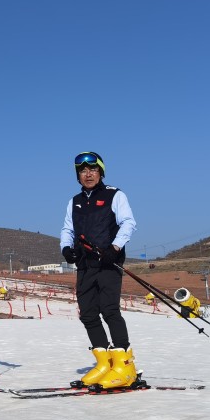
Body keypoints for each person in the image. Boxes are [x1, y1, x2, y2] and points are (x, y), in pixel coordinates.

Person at [59, 151, 138, 390]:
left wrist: (115, 247)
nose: (88, 174)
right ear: (78, 175)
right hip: (85, 265)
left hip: (107, 262)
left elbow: (128, 222)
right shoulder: (74, 201)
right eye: (83, 171)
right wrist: (65, 248)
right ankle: (104, 363)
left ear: (100, 171)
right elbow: (67, 229)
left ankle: (124, 367)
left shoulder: (115, 195)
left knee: (109, 310)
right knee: (88, 314)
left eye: (92, 169)